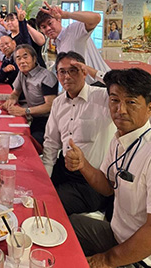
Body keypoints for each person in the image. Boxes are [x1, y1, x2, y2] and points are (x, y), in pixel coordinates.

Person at [66, 69, 151, 268]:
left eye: (131, 102)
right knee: (65, 226)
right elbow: (108, 186)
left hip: (142, 257)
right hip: (115, 234)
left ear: (150, 108)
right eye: (115, 100)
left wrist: (107, 260)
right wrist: (83, 165)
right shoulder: (119, 139)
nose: (121, 110)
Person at [42, 52, 116, 215]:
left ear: (84, 72)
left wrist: (93, 72)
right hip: (63, 171)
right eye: (62, 71)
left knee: (48, 206)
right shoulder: (58, 102)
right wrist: (46, 177)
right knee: (33, 193)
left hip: (92, 182)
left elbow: (126, 87)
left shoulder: (103, 98)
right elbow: (51, 143)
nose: (67, 76)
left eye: (73, 70)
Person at [2, 44, 58, 145]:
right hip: (34, 117)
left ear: (34, 58)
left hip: (47, 122)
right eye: (18, 58)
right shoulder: (22, 73)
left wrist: (25, 111)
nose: (22, 61)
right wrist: (11, 100)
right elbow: (15, 92)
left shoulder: (46, 77)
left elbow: (50, 106)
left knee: (27, 143)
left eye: (25, 57)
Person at [36, 1, 109, 77]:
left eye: (50, 23)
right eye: (44, 27)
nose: (48, 28)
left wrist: (67, 15)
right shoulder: (57, 42)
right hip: (84, 85)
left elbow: (96, 18)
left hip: (101, 82)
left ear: (58, 20)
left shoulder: (73, 31)